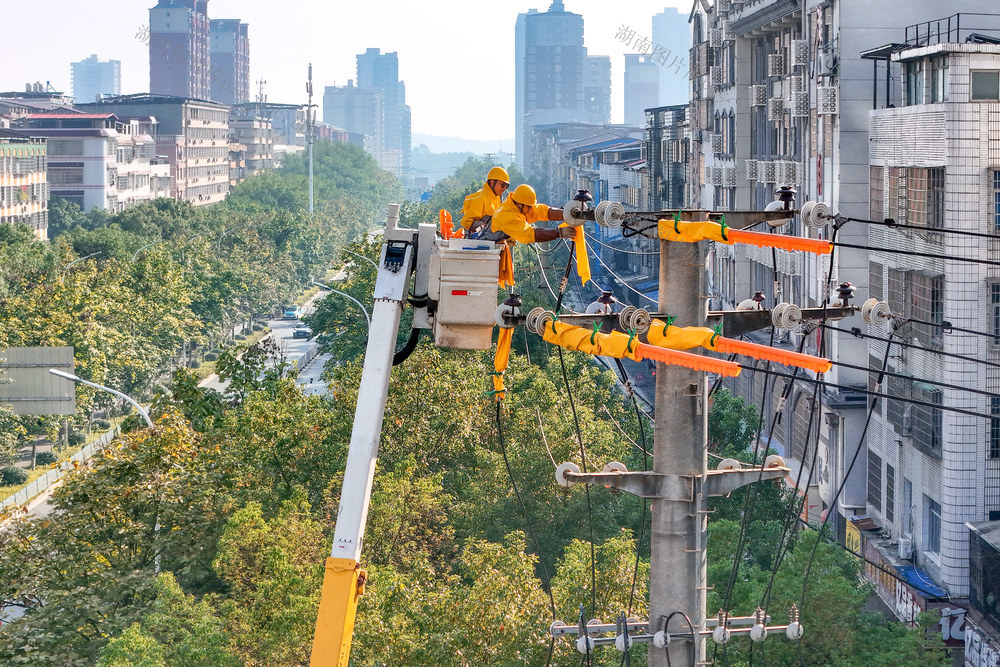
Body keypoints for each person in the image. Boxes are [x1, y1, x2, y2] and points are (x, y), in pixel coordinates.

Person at [481, 184, 574, 244]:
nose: (531, 210)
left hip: (493, 249)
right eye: (529, 207)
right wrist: (559, 233)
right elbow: (528, 235)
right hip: (484, 252)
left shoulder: (516, 206)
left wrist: (567, 214)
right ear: (519, 204)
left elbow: (541, 211)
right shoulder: (506, 215)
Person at [460, 166, 510, 235]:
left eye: (507, 186)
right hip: (474, 241)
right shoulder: (481, 198)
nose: (504, 188)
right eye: (503, 185)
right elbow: (466, 222)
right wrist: (483, 228)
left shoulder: (496, 199)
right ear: (492, 182)